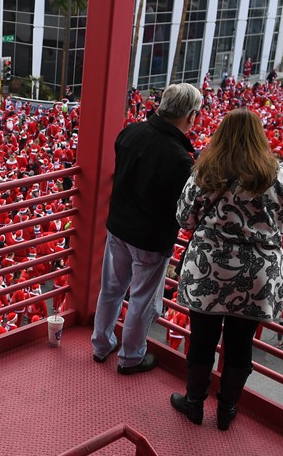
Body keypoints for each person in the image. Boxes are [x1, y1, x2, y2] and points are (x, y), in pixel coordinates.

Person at [169, 108, 283, 431]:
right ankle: (227, 409)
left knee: (202, 338)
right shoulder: (278, 174)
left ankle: (194, 403)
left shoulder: (207, 170)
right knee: (241, 344)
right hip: (257, 276)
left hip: (209, 269)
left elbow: (184, 217)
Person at [91, 83, 203, 374]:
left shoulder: (130, 133)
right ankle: (130, 358)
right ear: (190, 116)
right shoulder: (181, 160)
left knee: (111, 290)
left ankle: (101, 345)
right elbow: (182, 209)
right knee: (140, 299)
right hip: (151, 240)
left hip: (118, 228)